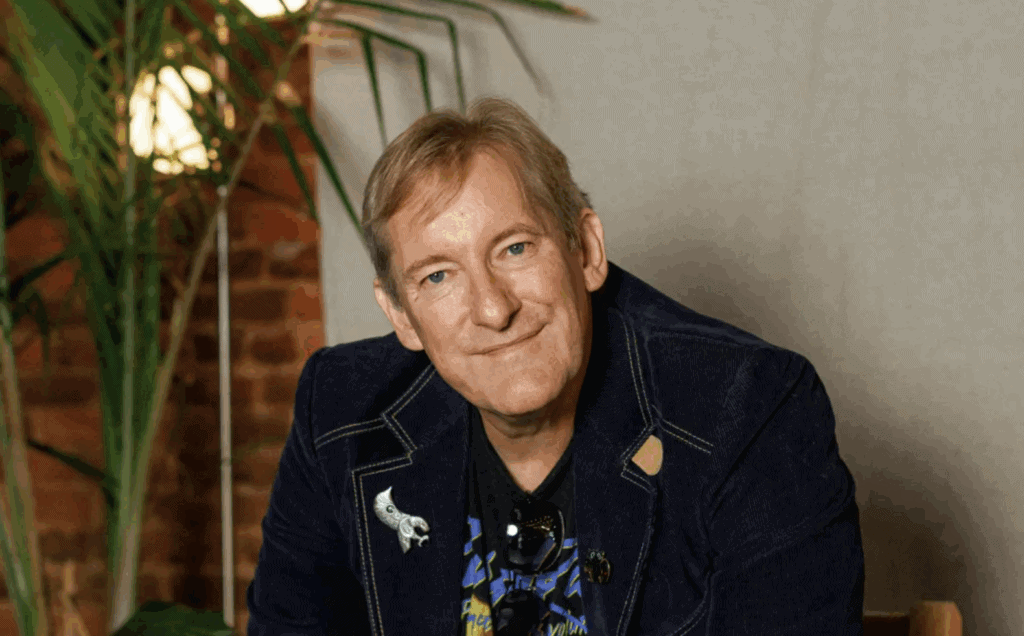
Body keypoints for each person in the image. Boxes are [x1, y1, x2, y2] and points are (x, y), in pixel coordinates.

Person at [246, 97, 864, 636]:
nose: (492, 308)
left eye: (515, 248)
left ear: (587, 250)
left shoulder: (750, 410)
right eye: (437, 276)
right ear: (402, 314)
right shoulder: (341, 416)